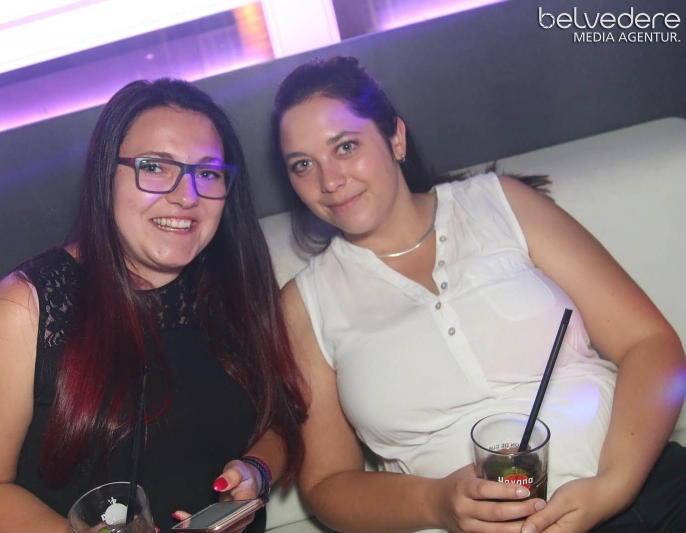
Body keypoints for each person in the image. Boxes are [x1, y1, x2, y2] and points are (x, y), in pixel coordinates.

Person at [273, 56, 686, 533]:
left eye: (345, 147)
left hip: (646, 491)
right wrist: (435, 503)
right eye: (303, 165)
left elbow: (650, 343)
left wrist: (615, 485)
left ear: (396, 139)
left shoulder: (501, 204)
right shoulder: (306, 303)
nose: (329, 181)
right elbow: (328, 485)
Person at [0, 78, 307, 533]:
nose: (187, 195)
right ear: (106, 177)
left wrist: (255, 471)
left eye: (208, 173)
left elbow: (282, 417)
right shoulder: (28, 308)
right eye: (154, 167)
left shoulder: (234, 280)